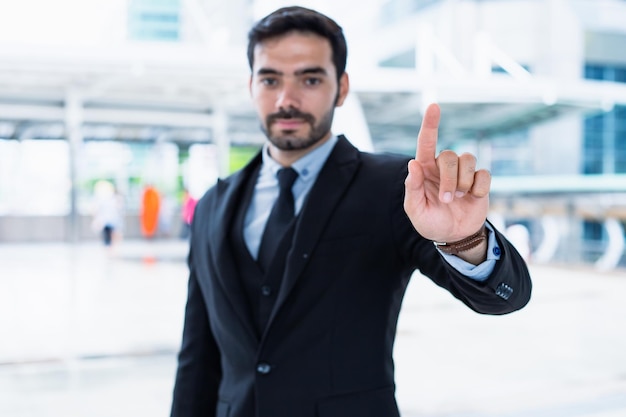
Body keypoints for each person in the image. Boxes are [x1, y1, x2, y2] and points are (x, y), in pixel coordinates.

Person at [170, 6, 532, 417]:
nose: (287, 100)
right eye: (270, 79)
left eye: (310, 78)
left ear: (341, 88)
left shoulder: (398, 187)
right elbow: (196, 360)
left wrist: (465, 238)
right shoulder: (213, 206)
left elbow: (506, 298)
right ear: (251, 85)